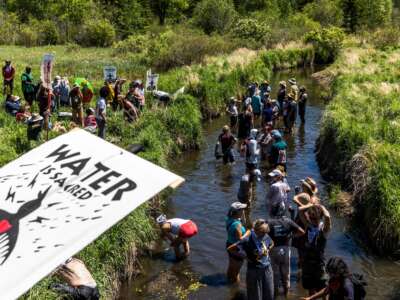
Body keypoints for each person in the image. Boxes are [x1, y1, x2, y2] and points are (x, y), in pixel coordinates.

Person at [228, 219, 274, 300]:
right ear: (256, 230)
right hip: (254, 270)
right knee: (255, 296)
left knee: (269, 294)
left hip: (267, 268)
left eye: (266, 232)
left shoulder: (265, 235)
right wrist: (245, 257)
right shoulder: (247, 239)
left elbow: (272, 243)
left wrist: (268, 250)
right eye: (263, 232)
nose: (265, 234)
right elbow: (231, 249)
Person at [268, 203, 305, 298]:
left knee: (275, 274)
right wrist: (291, 236)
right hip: (285, 249)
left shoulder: (269, 222)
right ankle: (286, 294)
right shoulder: (288, 221)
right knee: (286, 273)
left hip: (273, 249)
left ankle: (275, 295)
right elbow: (302, 232)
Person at [298, 203, 332, 296]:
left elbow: (328, 216)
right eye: (311, 218)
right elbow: (300, 210)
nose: (313, 221)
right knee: (310, 288)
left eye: (315, 218)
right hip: (307, 263)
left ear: (320, 218)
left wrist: (322, 207)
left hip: (319, 264)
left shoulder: (324, 229)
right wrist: (312, 205)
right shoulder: (308, 225)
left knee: (324, 289)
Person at [226, 202, 248, 283]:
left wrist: (242, 219)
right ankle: (236, 287)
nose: (243, 212)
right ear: (237, 212)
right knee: (237, 271)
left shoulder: (229, 219)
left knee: (231, 266)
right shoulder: (237, 224)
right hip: (237, 248)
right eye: (242, 210)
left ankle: (228, 280)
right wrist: (249, 232)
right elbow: (241, 239)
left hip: (229, 244)